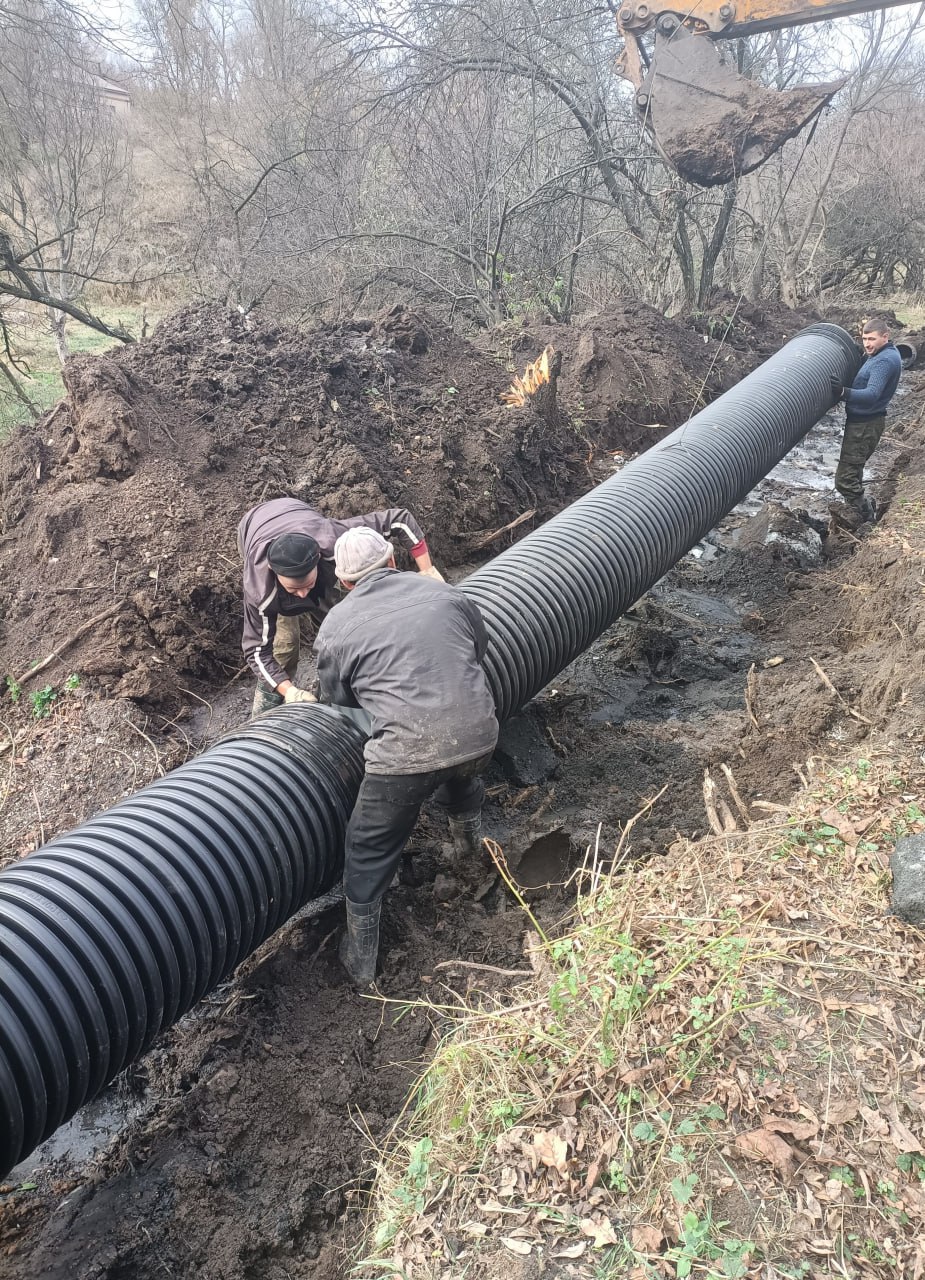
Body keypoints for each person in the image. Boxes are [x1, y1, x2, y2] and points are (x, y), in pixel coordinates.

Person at [313, 526, 499, 986]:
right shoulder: (445, 593)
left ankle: (360, 959)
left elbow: (336, 696)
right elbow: (477, 649)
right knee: (459, 769)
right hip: (480, 736)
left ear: (344, 582)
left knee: (368, 845)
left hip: (405, 759)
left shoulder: (337, 624)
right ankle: (470, 853)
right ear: (393, 560)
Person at [237, 497, 442, 716]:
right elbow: (256, 650)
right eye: (294, 590)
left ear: (318, 559)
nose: (303, 594)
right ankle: (264, 719)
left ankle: (343, 686)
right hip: (253, 526)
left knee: (342, 630)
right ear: (275, 573)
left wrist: (427, 571)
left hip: (297, 513)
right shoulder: (260, 590)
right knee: (285, 646)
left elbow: (400, 520)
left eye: (307, 585)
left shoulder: (334, 540)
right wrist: (290, 691)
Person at [834, 319, 903, 523]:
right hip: (864, 423)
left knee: (845, 480)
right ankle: (858, 510)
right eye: (864, 339)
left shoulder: (884, 361)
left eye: (872, 339)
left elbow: (872, 394)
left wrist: (842, 392)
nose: (867, 343)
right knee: (853, 473)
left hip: (864, 426)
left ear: (885, 336)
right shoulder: (882, 354)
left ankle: (864, 518)